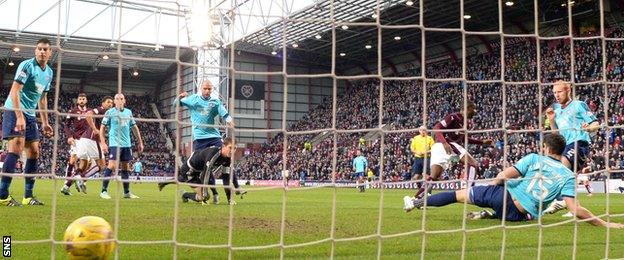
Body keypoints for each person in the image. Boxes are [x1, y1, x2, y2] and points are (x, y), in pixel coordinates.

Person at [403, 133, 624, 229]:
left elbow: (502, 176)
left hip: (505, 197)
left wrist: (491, 188)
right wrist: (605, 223)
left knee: (458, 196)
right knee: (528, 211)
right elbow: (575, 209)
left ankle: (414, 203)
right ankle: (489, 213)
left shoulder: (534, 158)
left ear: (546, 148)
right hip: (518, 215)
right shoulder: (568, 176)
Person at [0, 38, 54, 206]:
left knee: (34, 152)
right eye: (39, 49)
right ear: (35, 51)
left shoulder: (49, 72)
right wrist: (19, 115)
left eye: (45, 49)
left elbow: (42, 98)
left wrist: (45, 121)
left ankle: (28, 196)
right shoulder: (27, 65)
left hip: (30, 114)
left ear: (50, 52)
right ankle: (2, 196)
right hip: (13, 109)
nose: (42, 52)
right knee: (16, 147)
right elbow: (14, 91)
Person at [173, 81, 243, 204]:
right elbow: (175, 104)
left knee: (227, 159)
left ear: (212, 89)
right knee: (206, 166)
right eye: (205, 88)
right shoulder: (193, 99)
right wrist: (180, 96)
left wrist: (230, 121)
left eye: (209, 89)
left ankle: (236, 187)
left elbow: (224, 113)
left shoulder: (215, 102)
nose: (207, 91)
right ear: (201, 88)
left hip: (213, 136)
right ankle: (214, 193)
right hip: (199, 139)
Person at [412, 101, 493, 199]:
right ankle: (467, 193)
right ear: (466, 109)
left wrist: (482, 142)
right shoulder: (454, 117)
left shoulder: (465, 124)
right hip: (446, 145)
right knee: (473, 164)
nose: (474, 111)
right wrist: (445, 143)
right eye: (473, 109)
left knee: (434, 176)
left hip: (440, 147)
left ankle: (415, 199)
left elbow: (464, 139)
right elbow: (436, 128)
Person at [544, 80, 600, 215]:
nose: (557, 95)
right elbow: (556, 136)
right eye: (555, 93)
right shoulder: (556, 110)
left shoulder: (579, 105)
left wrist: (588, 128)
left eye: (560, 92)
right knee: (564, 173)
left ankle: (561, 201)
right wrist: (551, 120)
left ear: (568, 91)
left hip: (579, 143)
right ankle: (574, 206)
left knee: (563, 166)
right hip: (564, 145)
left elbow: (596, 124)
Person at [158, 137, 235, 204]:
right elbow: (206, 174)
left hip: (198, 170)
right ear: (223, 146)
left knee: (182, 179)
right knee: (205, 197)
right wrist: (204, 194)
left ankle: (165, 183)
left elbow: (226, 177)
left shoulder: (228, 160)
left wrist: (229, 199)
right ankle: (185, 195)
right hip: (189, 169)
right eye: (230, 147)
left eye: (234, 148)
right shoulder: (214, 154)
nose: (232, 151)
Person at [99, 93, 144, 199]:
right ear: (114, 101)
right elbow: (102, 128)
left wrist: (140, 142)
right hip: (114, 143)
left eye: (121, 98)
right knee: (112, 165)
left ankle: (126, 192)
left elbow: (134, 128)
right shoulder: (109, 112)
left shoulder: (129, 112)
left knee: (125, 167)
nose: (119, 100)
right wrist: (103, 143)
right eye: (117, 99)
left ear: (124, 101)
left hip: (126, 144)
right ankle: (103, 191)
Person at [60, 93, 91, 195]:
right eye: (80, 99)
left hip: (87, 140)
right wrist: (69, 136)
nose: (82, 100)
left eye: (83, 99)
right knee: (73, 159)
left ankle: (79, 180)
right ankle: (67, 182)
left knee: (86, 162)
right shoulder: (73, 111)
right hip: (76, 139)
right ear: (77, 101)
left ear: (86, 101)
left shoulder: (89, 111)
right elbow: (66, 125)